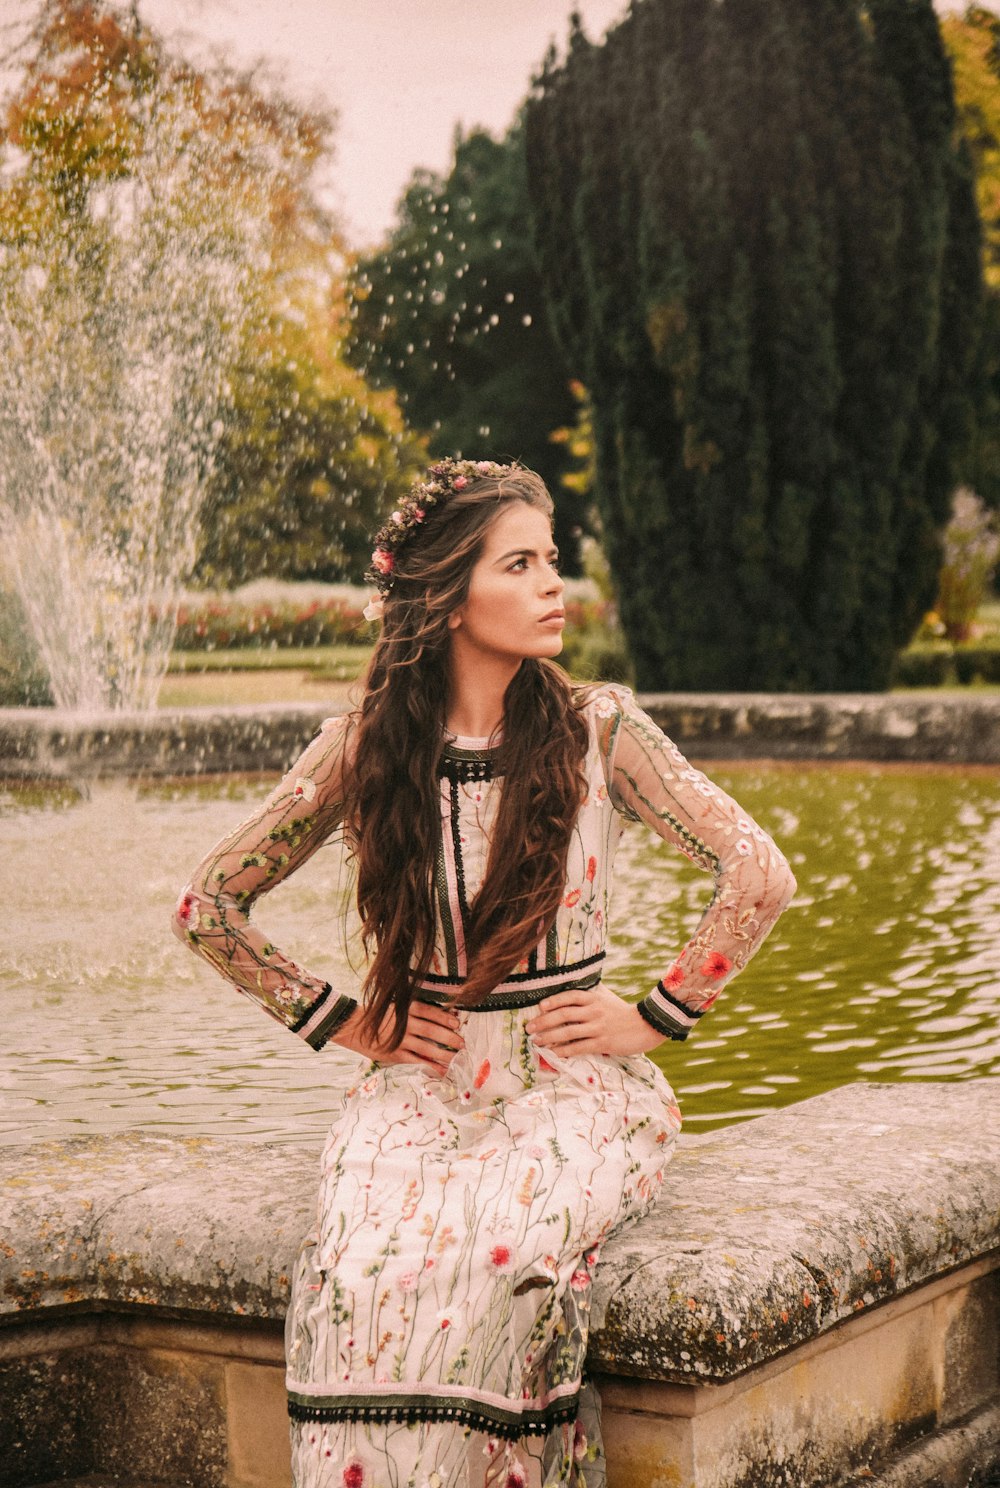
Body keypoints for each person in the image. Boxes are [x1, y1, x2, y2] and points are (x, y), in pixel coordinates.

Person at [173, 459, 796, 1488]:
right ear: (447, 596)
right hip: (417, 1088)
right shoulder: (363, 745)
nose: (555, 583)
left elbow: (757, 873)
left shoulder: (601, 728)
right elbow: (208, 907)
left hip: (569, 1088)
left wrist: (652, 1016)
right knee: (355, 1272)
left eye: (552, 560)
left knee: (501, 1254)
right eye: (521, 563)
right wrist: (344, 1021)